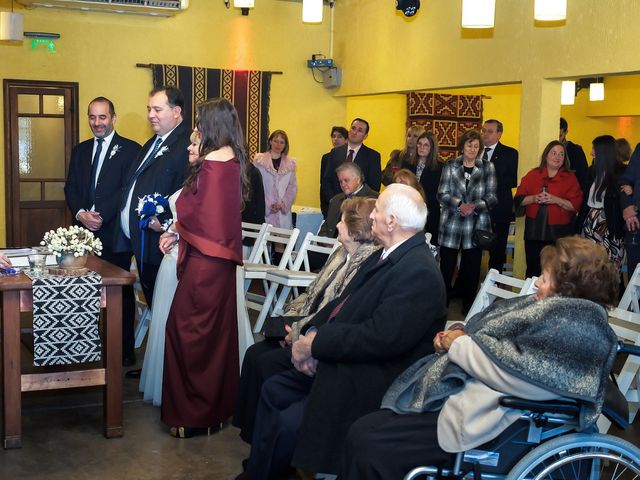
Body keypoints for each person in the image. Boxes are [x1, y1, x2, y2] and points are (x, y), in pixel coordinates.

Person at [342, 236, 619, 479]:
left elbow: (518, 373)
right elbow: (501, 348)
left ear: (567, 288)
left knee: (370, 444)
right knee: (365, 428)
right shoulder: (561, 314)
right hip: (476, 397)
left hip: (497, 419)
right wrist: (457, 336)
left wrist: (460, 345)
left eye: (545, 279)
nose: (536, 282)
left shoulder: (577, 327)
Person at [237, 183, 447, 479]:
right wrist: (310, 332)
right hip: (347, 358)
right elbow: (341, 303)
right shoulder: (385, 254)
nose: (371, 215)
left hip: (372, 378)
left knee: (288, 422)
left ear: (392, 221)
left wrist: (316, 346)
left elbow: (379, 339)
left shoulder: (419, 271)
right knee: (273, 388)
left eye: (378, 209)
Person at [232, 197, 380, 444]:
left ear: (355, 230)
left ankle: (267, 440)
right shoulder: (340, 253)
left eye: (342, 221)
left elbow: (333, 312)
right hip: (303, 323)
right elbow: (312, 292)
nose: (337, 225)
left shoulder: (364, 263)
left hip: (317, 334)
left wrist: (297, 332)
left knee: (266, 363)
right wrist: (290, 321)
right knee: (254, 354)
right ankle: (253, 434)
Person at [161, 98, 247, 438]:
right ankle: (214, 410)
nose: (195, 128)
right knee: (215, 335)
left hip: (205, 263)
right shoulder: (233, 161)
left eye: (199, 122)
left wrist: (175, 230)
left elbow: (197, 214)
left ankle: (193, 413)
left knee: (186, 333)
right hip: (220, 264)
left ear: (211, 124)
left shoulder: (211, 163)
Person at [64, 96, 141, 365]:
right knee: (82, 290)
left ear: (113, 118)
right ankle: (85, 347)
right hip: (82, 234)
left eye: (102, 117)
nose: (97, 123)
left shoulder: (131, 150)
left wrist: (102, 215)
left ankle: (123, 351)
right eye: (92, 117)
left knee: (119, 292)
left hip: (114, 235)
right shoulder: (80, 150)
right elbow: (70, 187)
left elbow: (128, 190)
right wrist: (80, 214)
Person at [114, 86, 191, 313]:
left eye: (157, 109)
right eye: (149, 109)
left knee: (167, 310)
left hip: (161, 243)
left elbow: (189, 191)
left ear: (176, 111)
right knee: (156, 307)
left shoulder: (186, 145)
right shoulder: (152, 143)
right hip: (141, 243)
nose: (150, 115)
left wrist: (167, 223)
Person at [138, 132, 200, 407]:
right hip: (172, 255)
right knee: (164, 320)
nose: (189, 146)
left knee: (180, 324)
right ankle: (165, 384)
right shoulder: (190, 178)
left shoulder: (208, 180)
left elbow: (201, 223)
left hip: (185, 260)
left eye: (195, 143)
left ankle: (181, 391)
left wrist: (169, 229)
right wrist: (169, 229)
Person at [437, 129, 497, 314]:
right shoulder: (450, 165)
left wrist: (473, 206)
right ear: (462, 146)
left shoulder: (488, 167)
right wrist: (459, 205)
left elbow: (493, 197)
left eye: (476, 146)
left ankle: (469, 307)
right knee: (446, 268)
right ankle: (441, 305)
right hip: (452, 224)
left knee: (472, 270)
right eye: (469, 145)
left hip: (476, 224)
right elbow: (441, 194)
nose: (472, 149)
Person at [514, 140, 583, 277]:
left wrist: (555, 200)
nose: (557, 157)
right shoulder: (533, 174)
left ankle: (554, 298)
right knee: (533, 269)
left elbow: (575, 205)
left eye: (561, 154)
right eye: (554, 153)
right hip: (534, 231)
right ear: (546, 155)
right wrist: (534, 198)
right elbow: (518, 200)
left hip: (559, 232)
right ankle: (532, 298)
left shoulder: (570, 178)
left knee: (557, 271)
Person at [581, 135, 625, 269]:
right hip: (590, 222)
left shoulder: (622, 172)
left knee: (610, 267)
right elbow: (585, 201)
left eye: (594, 148)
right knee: (589, 266)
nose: (591, 152)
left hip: (611, 223)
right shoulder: (592, 171)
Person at [481, 119, 519, 273]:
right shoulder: (475, 150)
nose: (485, 134)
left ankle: (494, 281)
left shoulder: (510, 153)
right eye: (483, 131)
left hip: (499, 207)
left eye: (489, 131)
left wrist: (490, 181)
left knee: (497, 249)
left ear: (499, 134)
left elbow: (513, 179)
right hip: (477, 207)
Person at [321, 118, 382, 204]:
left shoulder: (373, 156)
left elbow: (374, 186)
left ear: (365, 136)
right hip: (335, 205)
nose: (355, 132)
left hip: (359, 207)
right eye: (353, 128)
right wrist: (333, 201)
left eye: (360, 130)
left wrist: (358, 205)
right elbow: (326, 181)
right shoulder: (335, 152)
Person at [318, 162, 377, 238]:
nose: (343, 184)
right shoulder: (335, 200)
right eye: (340, 181)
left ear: (358, 179)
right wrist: (325, 242)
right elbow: (325, 228)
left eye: (346, 180)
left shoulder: (374, 199)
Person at [402, 131, 441, 244]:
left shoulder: (439, 168)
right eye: (419, 144)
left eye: (426, 145)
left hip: (429, 212)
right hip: (407, 211)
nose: (421, 147)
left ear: (432, 148)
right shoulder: (407, 164)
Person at [253, 130, 298, 229]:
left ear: (285, 145)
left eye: (282, 142)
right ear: (270, 142)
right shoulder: (259, 161)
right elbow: (255, 185)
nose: (278, 145)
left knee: (280, 241)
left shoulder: (291, 164)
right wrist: (268, 205)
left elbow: (292, 187)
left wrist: (282, 204)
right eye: (275, 141)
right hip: (263, 209)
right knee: (263, 241)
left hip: (282, 212)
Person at [559, 117, 589, 208]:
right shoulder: (546, 149)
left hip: (569, 198)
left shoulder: (576, 151)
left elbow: (583, 177)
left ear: (565, 132)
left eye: (560, 136)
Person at [320, 126, 349, 217]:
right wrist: (330, 201)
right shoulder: (326, 157)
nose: (336, 139)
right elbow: (323, 182)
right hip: (330, 203)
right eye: (334, 136)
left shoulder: (350, 156)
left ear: (346, 140)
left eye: (340, 137)